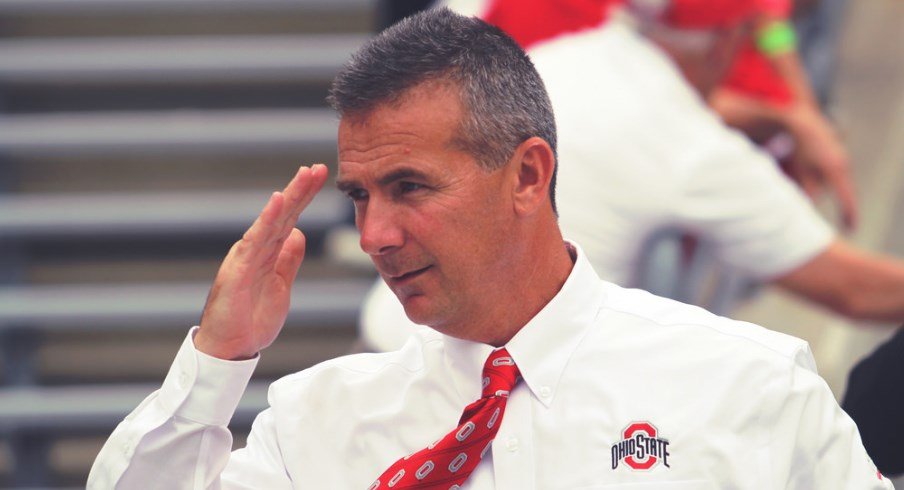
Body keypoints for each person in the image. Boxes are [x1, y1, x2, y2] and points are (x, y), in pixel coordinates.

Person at [89, 8, 891, 488]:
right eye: (360, 198)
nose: (374, 236)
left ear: (528, 175)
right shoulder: (315, 425)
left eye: (411, 188)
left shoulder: (743, 384)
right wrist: (218, 359)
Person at [360, 0, 904, 352]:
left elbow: (644, 125)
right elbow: (854, 290)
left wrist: (783, 117)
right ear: (725, 41)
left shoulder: (566, 58)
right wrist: (792, 113)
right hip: (487, 385)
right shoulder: (686, 145)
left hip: (397, 347)